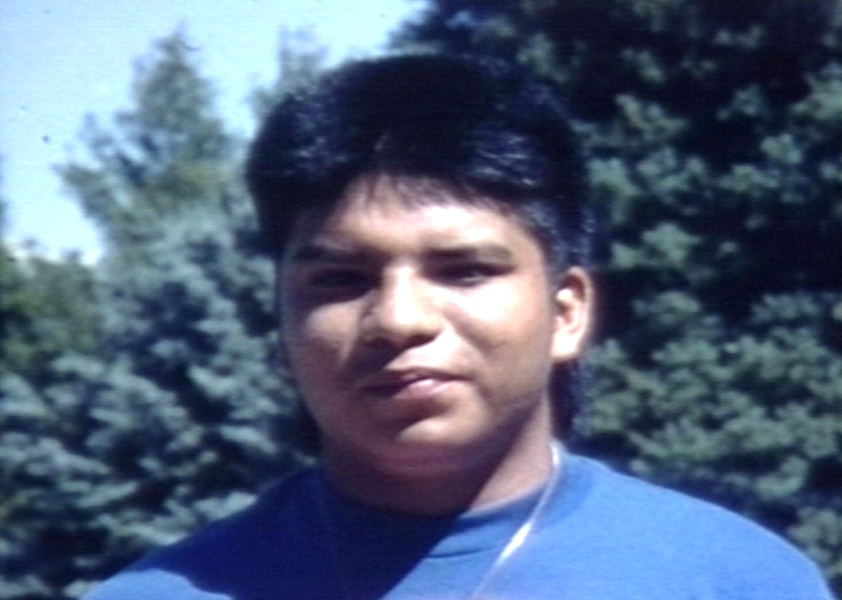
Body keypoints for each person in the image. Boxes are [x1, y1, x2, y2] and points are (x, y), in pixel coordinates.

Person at [84, 54, 832, 600]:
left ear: (566, 312)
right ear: (281, 328)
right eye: (340, 280)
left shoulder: (732, 580)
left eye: (464, 270)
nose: (399, 319)